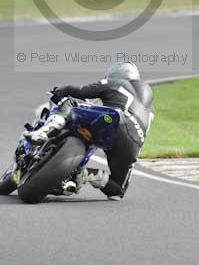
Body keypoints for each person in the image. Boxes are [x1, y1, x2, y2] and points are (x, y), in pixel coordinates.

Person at [25, 62, 154, 198]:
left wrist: (59, 91)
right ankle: (85, 175)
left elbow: (82, 90)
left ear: (115, 75)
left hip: (114, 118)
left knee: (69, 103)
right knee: (117, 189)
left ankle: (45, 131)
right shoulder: (150, 110)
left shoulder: (115, 83)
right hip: (133, 144)